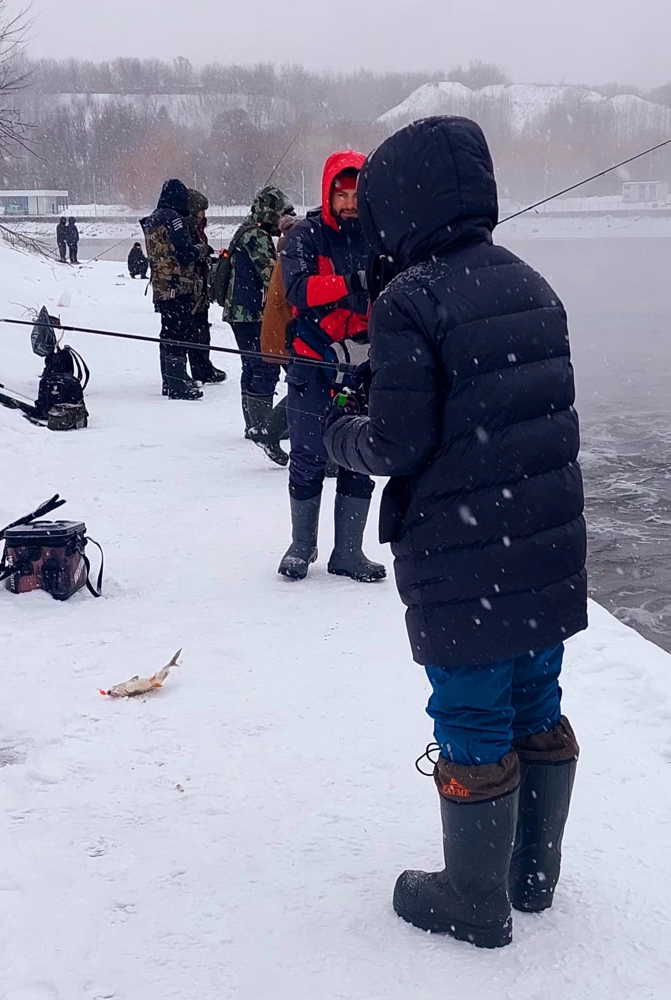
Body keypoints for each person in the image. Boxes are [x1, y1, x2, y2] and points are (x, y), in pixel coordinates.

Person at [324, 117, 587, 948]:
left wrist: (339, 432)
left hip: (465, 559)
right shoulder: (535, 284)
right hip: (544, 553)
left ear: (401, 204)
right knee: (535, 701)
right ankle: (531, 879)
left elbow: (398, 443)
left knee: (470, 713)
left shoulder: (408, 299)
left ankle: (475, 901)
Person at [279, 152, 385, 582]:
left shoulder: (381, 235)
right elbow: (298, 289)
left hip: (364, 362)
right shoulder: (305, 235)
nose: (349, 202)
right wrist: (351, 284)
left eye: (356, 193)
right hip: (314, 361)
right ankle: (302, 545)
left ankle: (348, 552)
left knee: (361, 452)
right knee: (307, 452)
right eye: (341, 194)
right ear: (328, 193)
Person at [222, 185, 294, 465]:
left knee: (251, 366)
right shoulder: (257, 237)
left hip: (240, 313)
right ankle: (264, 428)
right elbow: (272, 276)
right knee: (264, 366)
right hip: (251, 313)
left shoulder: (245, 230)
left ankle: (255, 425)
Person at [140, 179, 202, 400]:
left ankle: (170, 379)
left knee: (167, 331)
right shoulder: (173, 219)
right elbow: (184, 252)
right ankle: (177, 384)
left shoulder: (152, 219)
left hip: (161, 285)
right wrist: (200, 250)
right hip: (177, 285)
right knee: (179, 330)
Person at [185, 189, 226, 386]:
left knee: (202, 329)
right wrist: (204, 252)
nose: (204, 214)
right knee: (196, 330)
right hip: (192, 287)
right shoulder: (187, 227)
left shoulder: (197, 228)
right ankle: (200, 369)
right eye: (201, 210)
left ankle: (204, 366)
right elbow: (188, 255)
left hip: (200, 285)